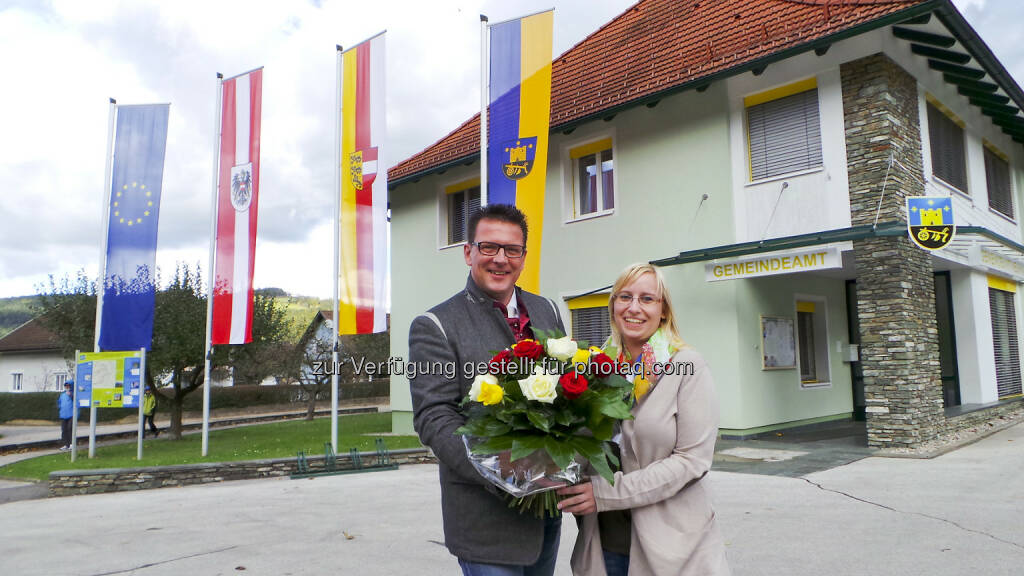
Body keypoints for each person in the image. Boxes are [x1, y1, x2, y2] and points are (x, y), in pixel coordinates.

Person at [409, 204, 567, 576]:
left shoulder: (547, 311)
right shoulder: (435, 324)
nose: (500, 259)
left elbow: (566, 392)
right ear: (469, 252)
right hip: (485, 522)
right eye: (488, 247)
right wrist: (503, 471)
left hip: (547, 513)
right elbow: (434, 418)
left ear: (524, 257)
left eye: (511, 250)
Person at [557, 263, 730, 575]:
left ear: (663, 310)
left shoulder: (686, 366)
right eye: (625, 297)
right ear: (613, 307)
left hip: (673, 548)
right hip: (606, 544)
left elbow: (692, 460)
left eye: (647, 299)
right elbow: (581, 444)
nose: (634, 307)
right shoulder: (597, 368)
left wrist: (605, 493)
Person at [57, 380, 74, 451]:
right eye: (66, 386)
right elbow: (59, 402)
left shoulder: (74, 394)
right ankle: (66, 444)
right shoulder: (62, 394)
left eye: (68, 386)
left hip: (72, 415)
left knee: (70, 429)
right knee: (64, 430)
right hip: (63, 415)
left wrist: (71, 396)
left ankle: (71, 444)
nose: (67, 387)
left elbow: (76, 402)